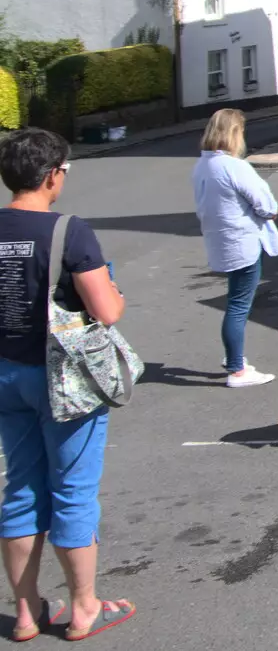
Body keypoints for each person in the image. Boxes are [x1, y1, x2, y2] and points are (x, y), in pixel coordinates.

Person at [0, 128, 135, 641]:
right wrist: (116, 292)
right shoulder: (68, 232)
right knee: (73, 491)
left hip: (5, 373)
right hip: (62, 379)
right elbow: (106, 310)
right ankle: (83, 607)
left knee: (21, 487)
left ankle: (27, 611)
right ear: (53, 175)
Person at [192, 110, 278, 388]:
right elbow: (266, 205)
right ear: (233, 134)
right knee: (238, 305)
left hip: (220, 241)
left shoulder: (202, 166)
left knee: (235, 300)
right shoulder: (235, 166)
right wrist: (270, 211)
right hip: (243, 242)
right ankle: (236, 370)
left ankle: (235, 359)